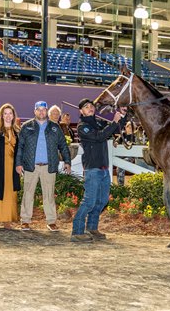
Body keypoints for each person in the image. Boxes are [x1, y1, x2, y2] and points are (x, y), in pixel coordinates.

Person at [71, 98, 123, 242]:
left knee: (102, 200)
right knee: (89, 201)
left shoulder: (99, 123)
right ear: (81, 111)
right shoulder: (83, 126)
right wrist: (113, 122)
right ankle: (77, 231)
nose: (90, 108)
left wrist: (121, 117)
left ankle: (92, 228)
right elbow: (99, 136)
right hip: (92, 168)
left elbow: (115, 129)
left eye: (92, 106)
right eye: (86, 107)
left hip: (104, 167)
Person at [15, 101, 71, 232]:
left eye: (43, 110)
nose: (41, 112)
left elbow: (63, 145)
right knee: (28, 194)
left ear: (46, 111)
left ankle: (51, 221)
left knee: (49, 195)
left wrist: (67, 161)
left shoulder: (55, 127)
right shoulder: (26, 126)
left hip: (49, 166)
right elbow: (20, 147)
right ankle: (25, 220)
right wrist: (18, 163)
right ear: (34, 111)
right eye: (38, 110)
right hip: (30, 166)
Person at [114, 121, 135, 186]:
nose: (130, 128)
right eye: (128, 126)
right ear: (126, 127)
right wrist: (116, 142)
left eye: (132, 127)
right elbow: (117, 140)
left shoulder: (134, 136)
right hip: (121, 155)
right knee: (119, 167)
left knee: (121, 164)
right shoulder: (123, 134)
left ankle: (120, 185)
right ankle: (120, 185)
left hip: (130, 156)